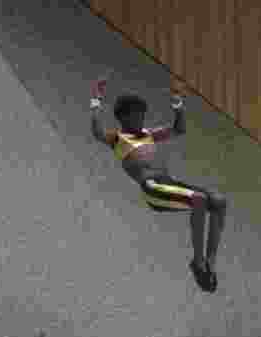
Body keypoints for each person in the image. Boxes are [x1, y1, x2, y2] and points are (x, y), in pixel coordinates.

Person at [90, 78, 227, 292]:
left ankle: (210, 262)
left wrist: (177, 101)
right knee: (198, 200)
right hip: (152, 188)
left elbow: (179, 129)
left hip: (169, 183)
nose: (141, 119)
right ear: (123, 118)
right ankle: (198, 262)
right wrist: (96, 99)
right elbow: (97, 132)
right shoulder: (117, 138)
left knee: (218, 201)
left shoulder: (149, 134)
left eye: (143, 115)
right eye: (137, 115)